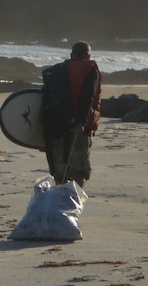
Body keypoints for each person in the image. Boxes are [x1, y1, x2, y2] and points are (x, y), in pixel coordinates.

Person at [41, 41, 102, 188]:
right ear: (88, 56)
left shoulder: (55, 72)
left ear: (71, 55)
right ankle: (74, 203)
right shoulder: (89, 70)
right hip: (79, 127)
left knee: (60, 171)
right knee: (80, 171)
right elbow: (88, 97)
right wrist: (81, 122)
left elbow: (44, 99)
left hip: (55, 126)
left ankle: (60, 201)